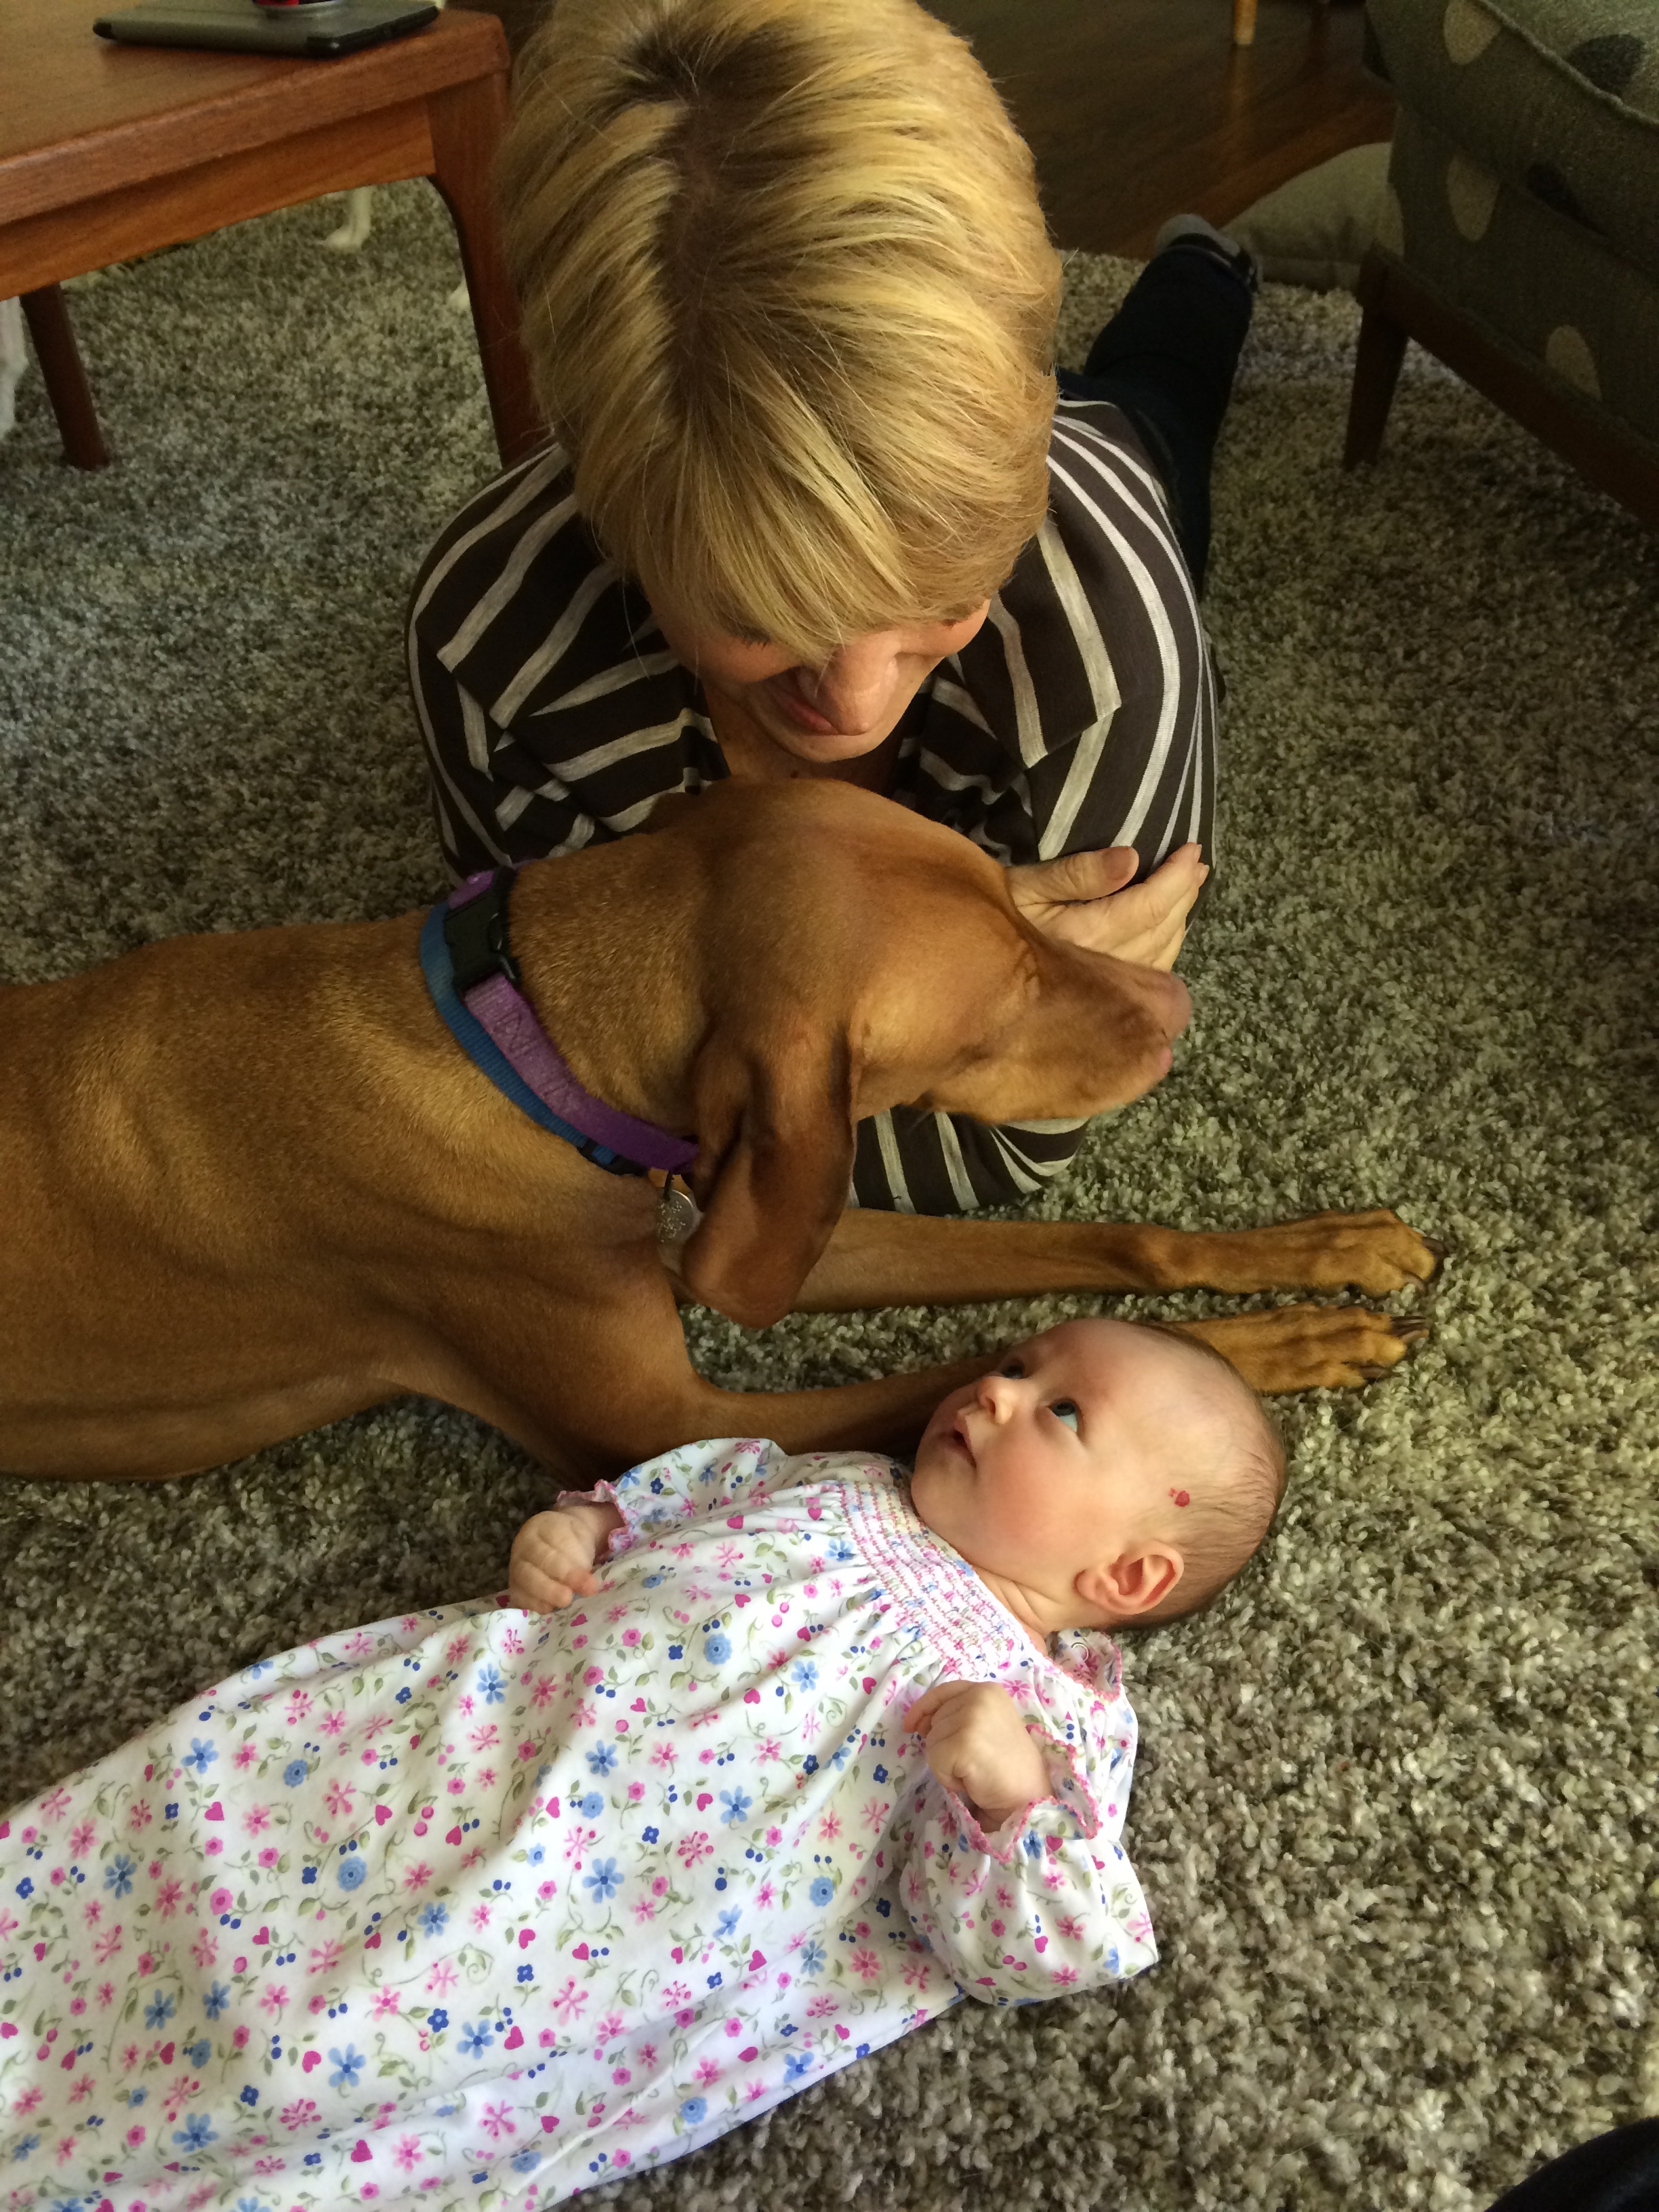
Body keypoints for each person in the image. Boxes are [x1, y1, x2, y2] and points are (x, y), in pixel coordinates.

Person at [0, 1319, 1282, 2211]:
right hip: (483, 1741)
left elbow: (1038, 1950)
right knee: (232, 1814)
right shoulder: (840, 1484)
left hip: (610, 1922)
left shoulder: (1057, 1721)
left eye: (1062, 1412)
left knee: (334, 2047)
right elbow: (662, 1500)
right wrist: (573, 1533)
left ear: (1129, 1575)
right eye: (1016, 1364)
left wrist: (1004, 1798)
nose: (993, 1391)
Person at [407, 0, 1256, 1214]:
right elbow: (541, 1091)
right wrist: (983, 967)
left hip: (1105, 455)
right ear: (600, 484)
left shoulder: (1107, 653)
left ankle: (1208, 272)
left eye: (940, 594)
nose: (853, 702)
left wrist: (772, 1056)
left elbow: (1006, 1152)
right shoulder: (485, 646)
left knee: (1161, 388)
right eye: (760, 615)